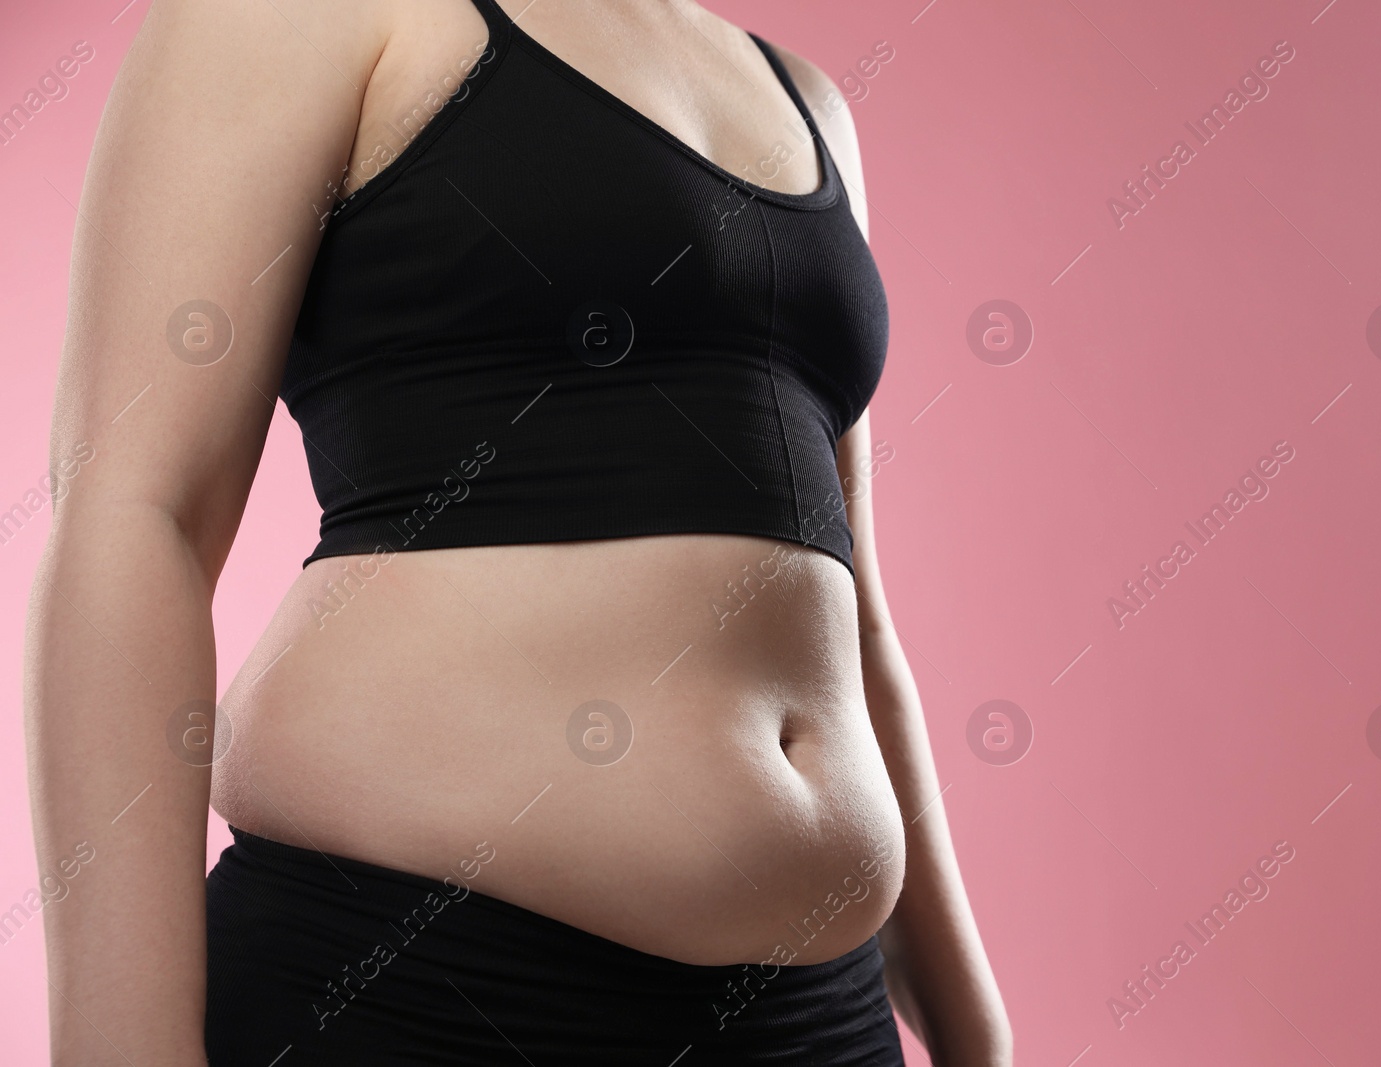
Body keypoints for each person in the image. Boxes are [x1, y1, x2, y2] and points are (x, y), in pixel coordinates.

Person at [24, 0, 1012, 1062]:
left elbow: (852, 611)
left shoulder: (807, 100)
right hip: (417, 983)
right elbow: (133, 516)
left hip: (817, 1015)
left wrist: (974, 1029)